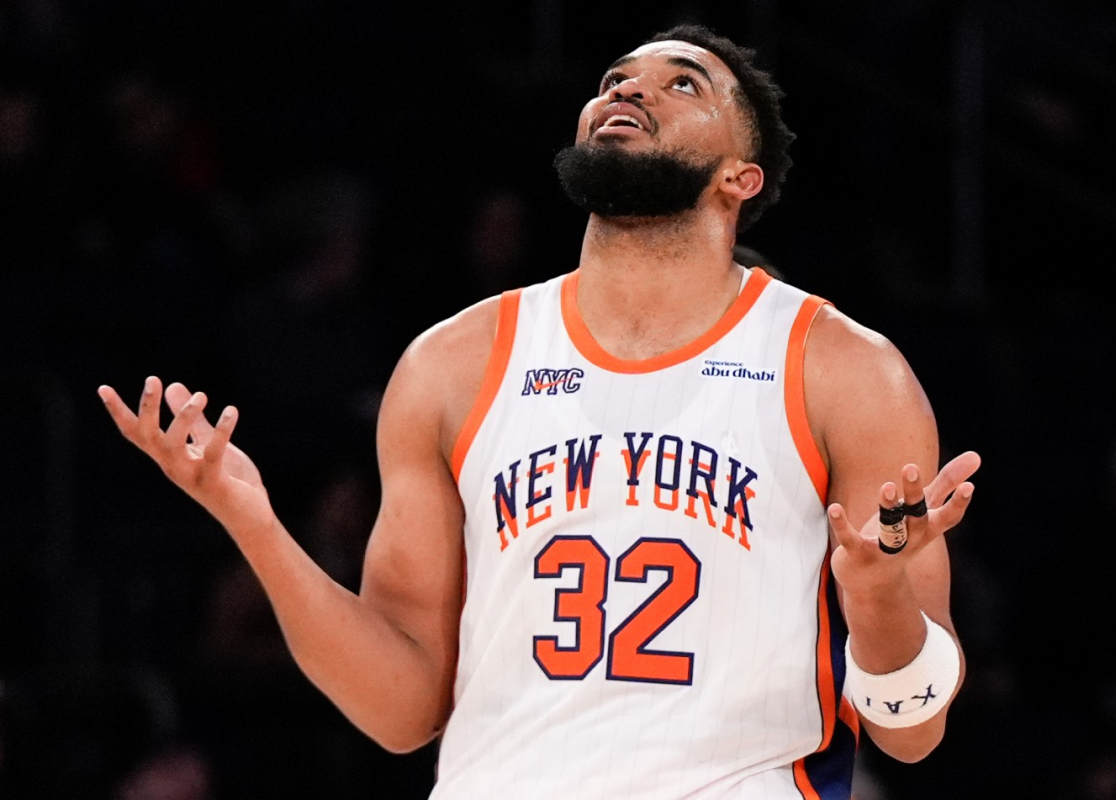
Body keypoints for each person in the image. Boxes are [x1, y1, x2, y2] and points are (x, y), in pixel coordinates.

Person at [98, 24, 980, 799]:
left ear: (738, 179)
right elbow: (402, 711)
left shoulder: (845, 370)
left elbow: (912, 729)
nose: (629, 90)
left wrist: (877, 598)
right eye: (614, 79)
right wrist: (254, 524)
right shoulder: (452, 364)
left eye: (683, 84)